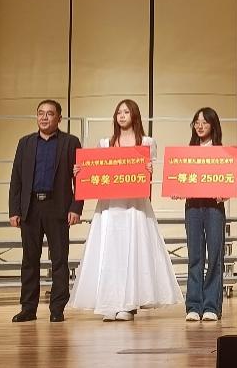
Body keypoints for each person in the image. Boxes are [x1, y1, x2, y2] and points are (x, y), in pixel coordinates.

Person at [69, 99, 183, 320]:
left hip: (134, 205)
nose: (121, 116)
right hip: (110, 206)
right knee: (110, 252)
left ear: (134, 115)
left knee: (133, 251)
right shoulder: (105, 143)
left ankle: (128, 304)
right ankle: (109, 303)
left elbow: (148, 174)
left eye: (126, 112)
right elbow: (95, 169)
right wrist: (80, 172)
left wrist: (149, 169)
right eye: (119, 112)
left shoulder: (147, 142)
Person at [8, 100, 82, 323]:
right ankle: (28, 308)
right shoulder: (25, 143)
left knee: (59, 260)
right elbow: (16, 178)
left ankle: (57, 309)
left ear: (59, 118)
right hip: (30, 208)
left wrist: (76, 207)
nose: (44, 117)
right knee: (29, 260)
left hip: (58, 207)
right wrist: (14, 210)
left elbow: (81, 178)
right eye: (40, 113)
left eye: (50, 114)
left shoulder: (70, 142)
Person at [181, 107, 227, 322]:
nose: (200, 126)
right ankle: (193, 305)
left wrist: (224, 193)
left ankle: (211, 306)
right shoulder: (187, 153)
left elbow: (229, 180)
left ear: (213, 125)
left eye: (204, 122)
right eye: (196, 122)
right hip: (193, 206)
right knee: (195, 256)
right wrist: (177, 188)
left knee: (215, 255)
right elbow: (179, 178)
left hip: (214, 207)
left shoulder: (222, 152)